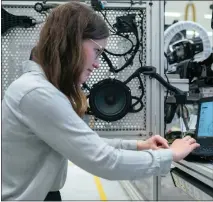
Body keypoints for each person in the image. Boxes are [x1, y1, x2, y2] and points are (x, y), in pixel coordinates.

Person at [2, 1, 200, 201]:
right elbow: (105, 161)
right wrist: (170, 155)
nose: (97, 64)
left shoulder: (37, 89)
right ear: (72, 42)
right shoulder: (38, 93)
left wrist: (139, 145)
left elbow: (86, 142)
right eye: (97, 51)